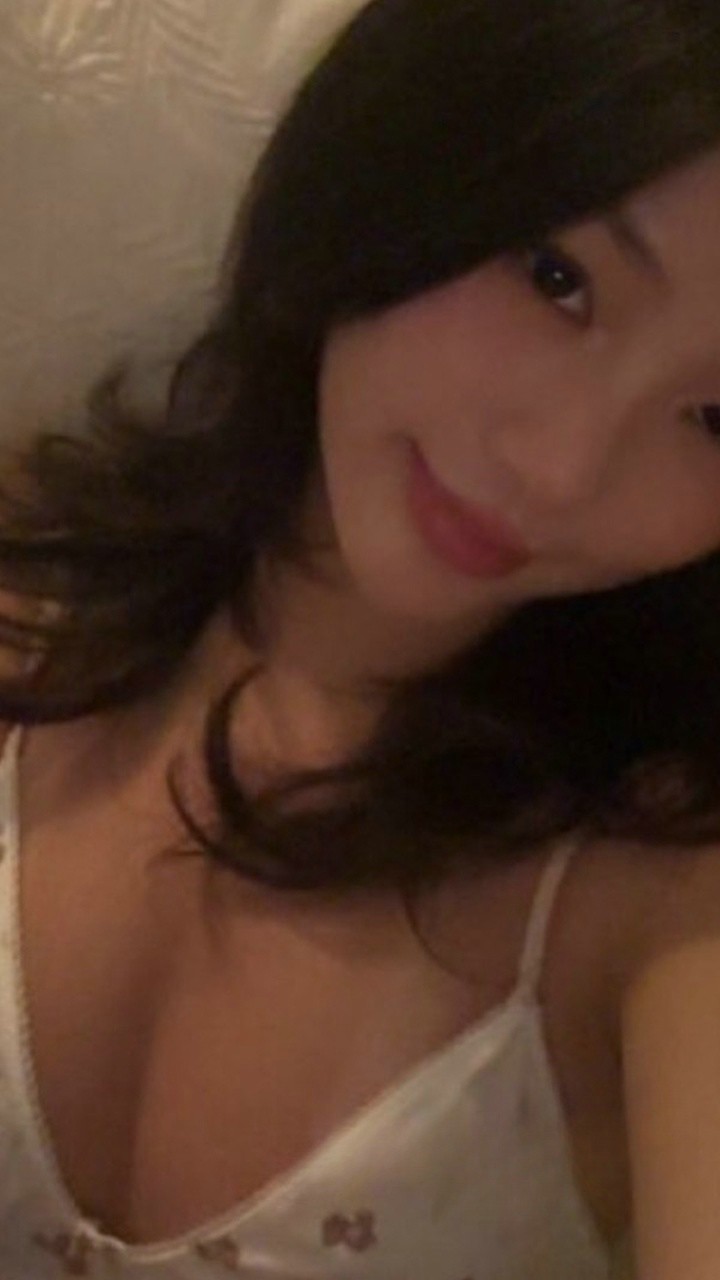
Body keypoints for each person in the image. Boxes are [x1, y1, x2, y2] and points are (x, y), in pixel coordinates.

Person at [1, 0, 720, 1274]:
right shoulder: (30, 584)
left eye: (719, 420)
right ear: (403, 157)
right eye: (558, 278)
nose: (558, 467)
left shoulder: (657, 895)